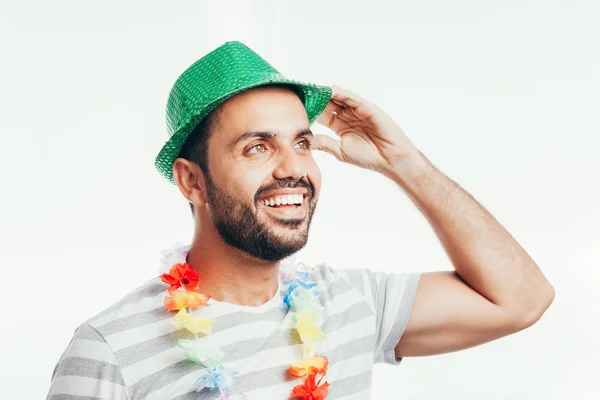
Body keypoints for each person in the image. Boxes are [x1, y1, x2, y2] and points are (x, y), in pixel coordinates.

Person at [47, 41, 554, 400]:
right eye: (257, 147)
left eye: (302, 142)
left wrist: (405, 164)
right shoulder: (110, 349)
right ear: (191, 181)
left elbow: (522, 299)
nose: (293, 169)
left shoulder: (352, 304)